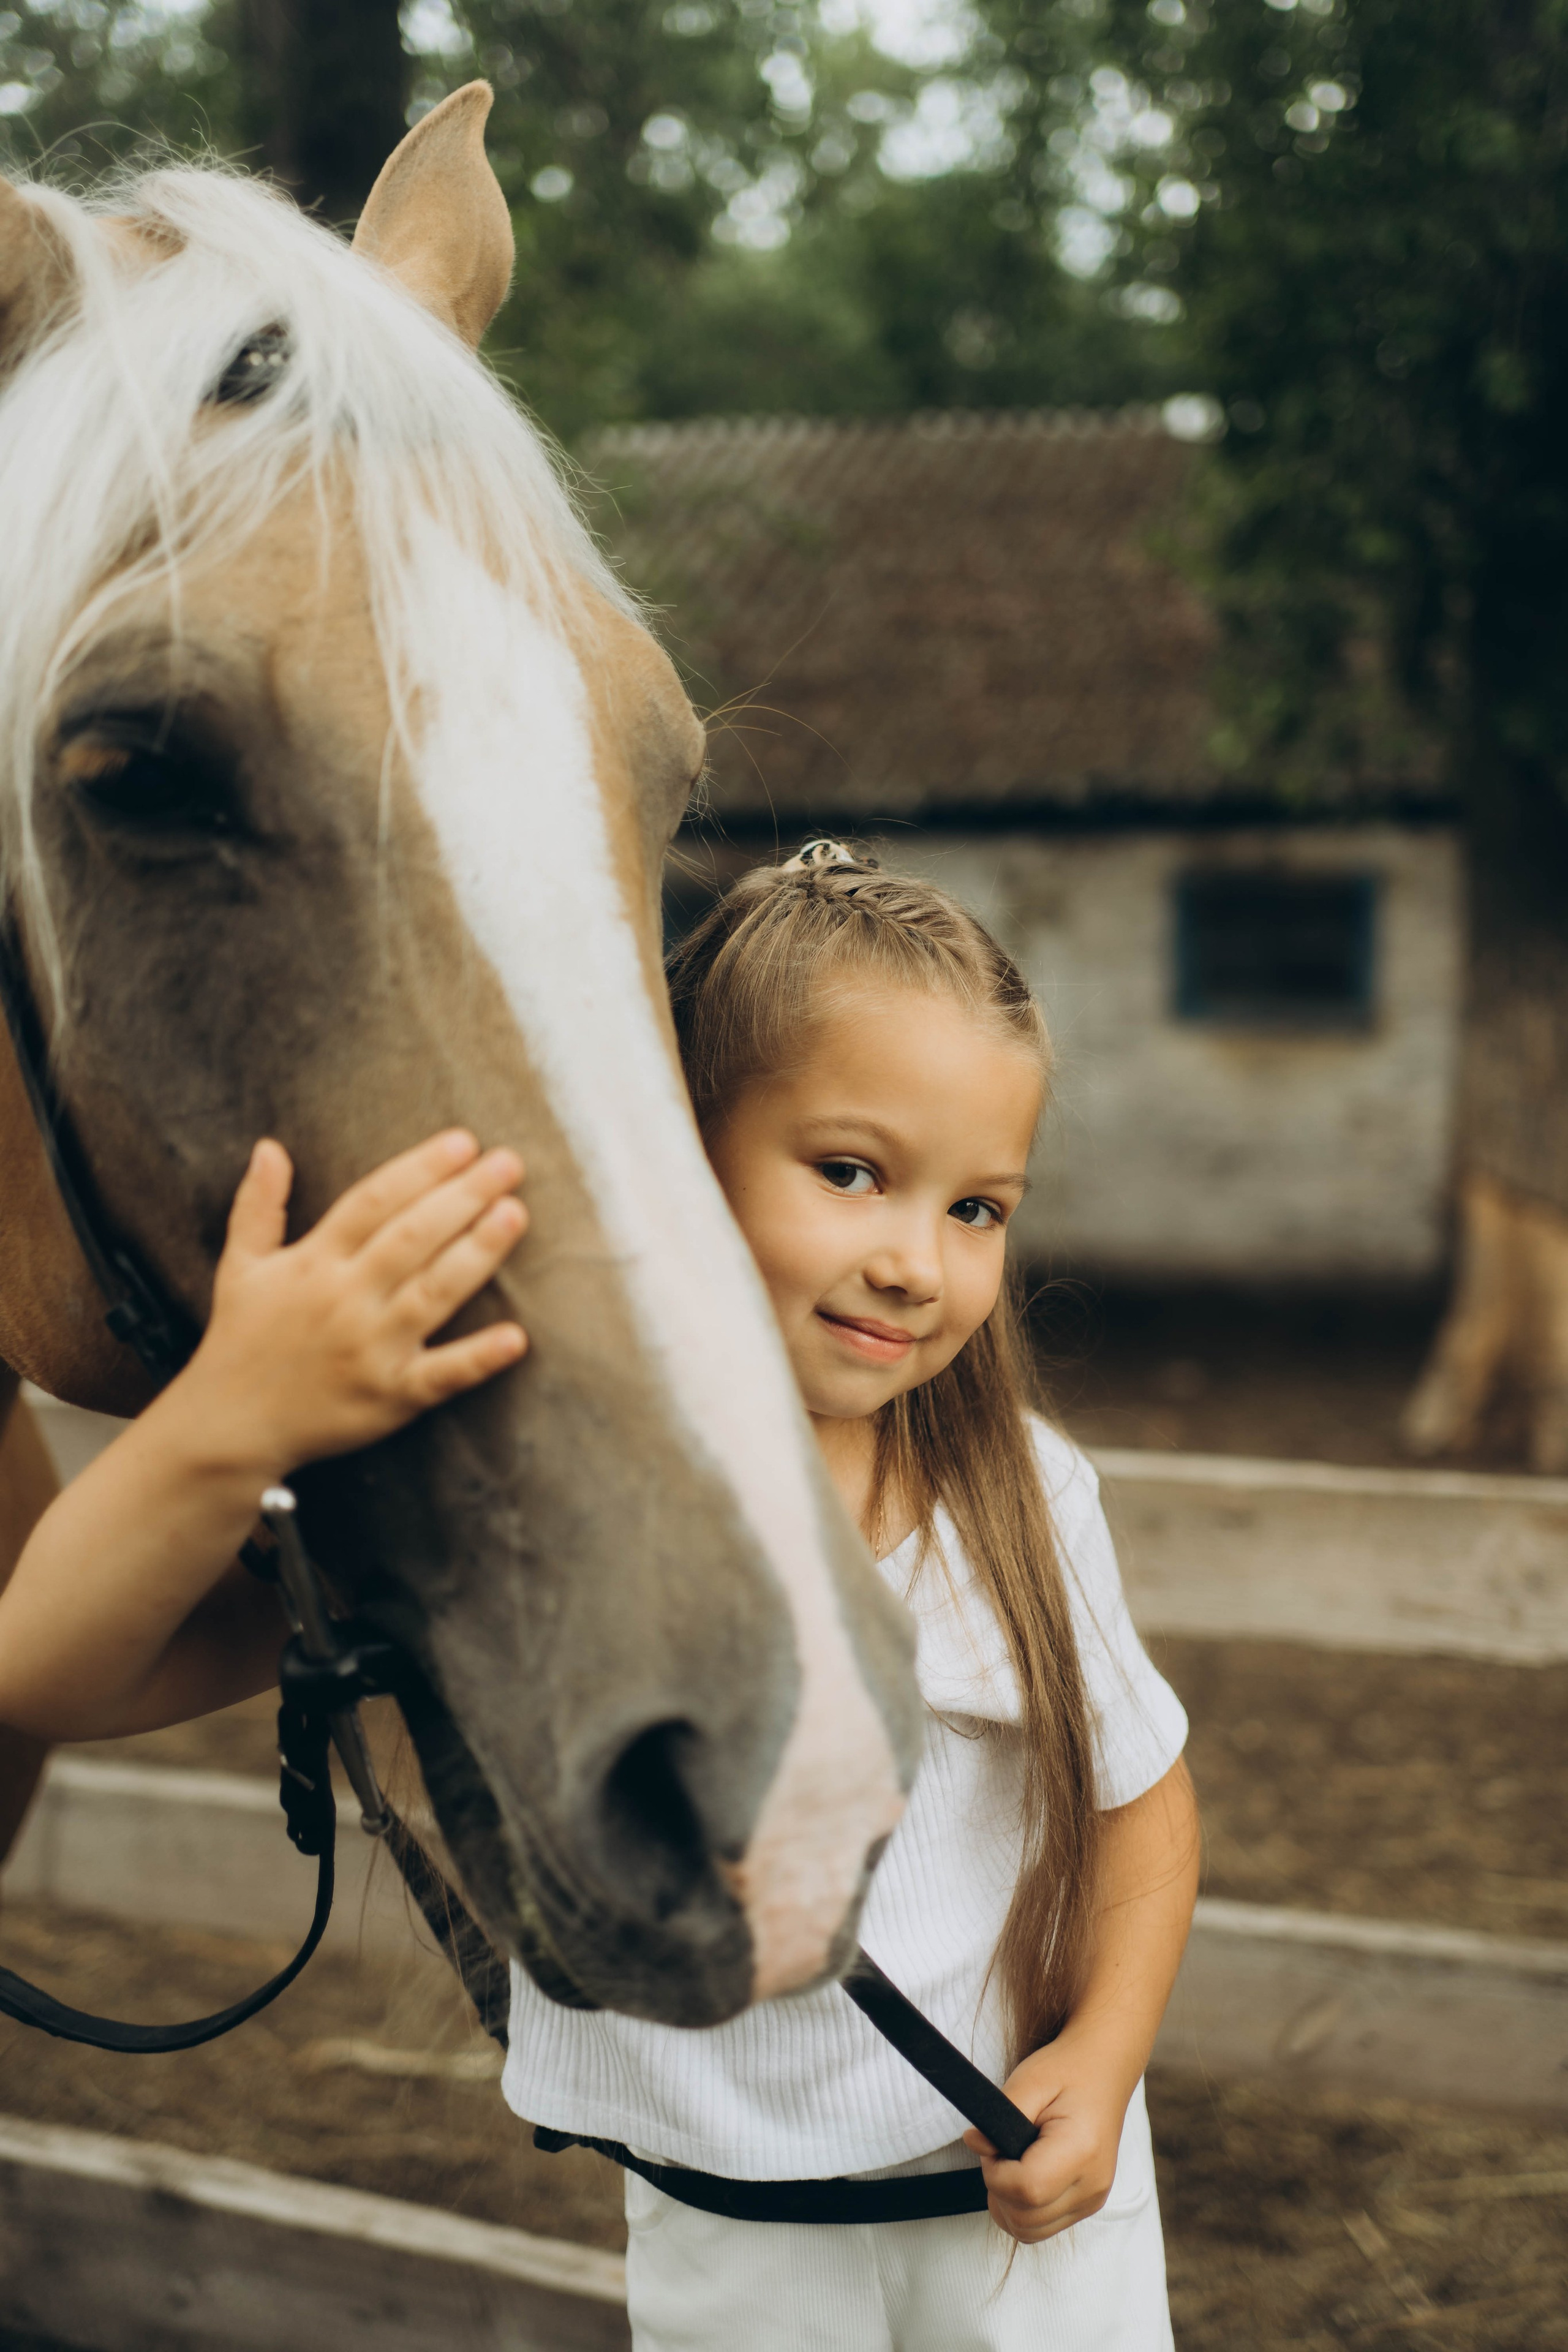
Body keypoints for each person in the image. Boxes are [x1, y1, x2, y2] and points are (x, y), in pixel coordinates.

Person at [0, 839, 1197, 2351]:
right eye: (850, 1173)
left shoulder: (1014, 1495)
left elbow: (1138, 1808)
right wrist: (231, 1415)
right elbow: (50, 1676)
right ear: (672, 1152)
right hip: (726, 2246)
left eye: (979, 1209)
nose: (917, 1263)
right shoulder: (496, 1494)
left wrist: (1103, 2053)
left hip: (1028, 2241)